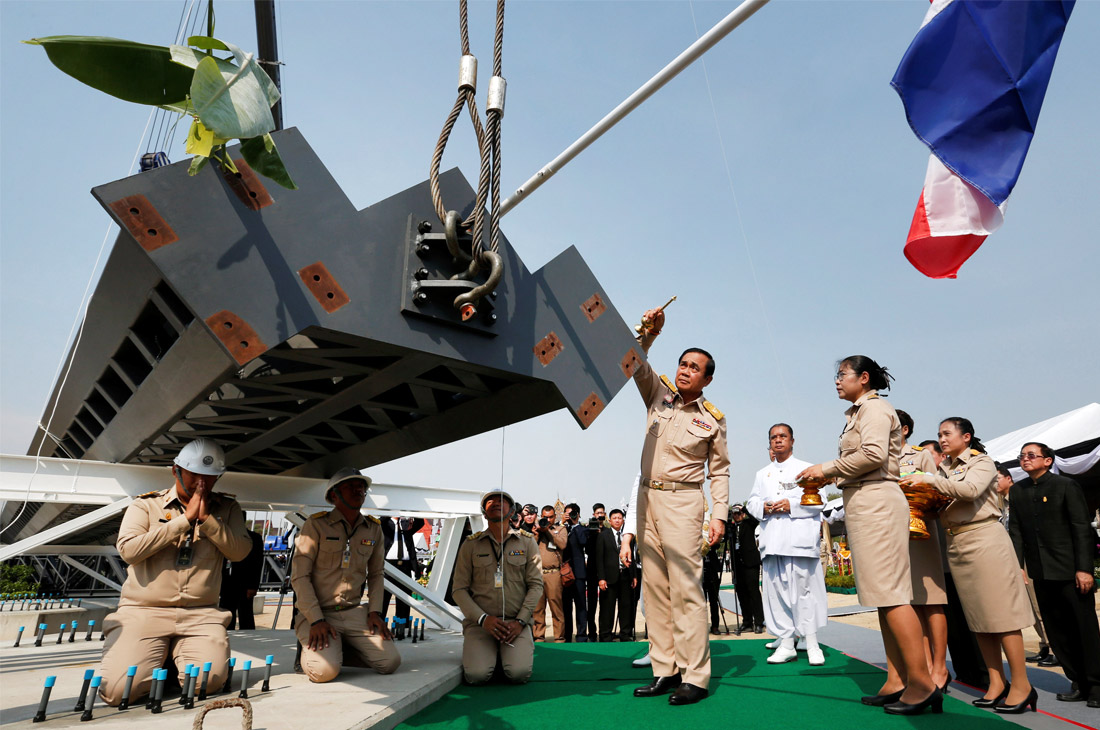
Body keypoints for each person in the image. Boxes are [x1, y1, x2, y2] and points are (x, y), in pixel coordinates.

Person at [797, 356, 937, 715]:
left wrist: (825, 469)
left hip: (876, 499)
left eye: (841, 375)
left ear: (863, 377)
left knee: (891, 594)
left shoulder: (875, 410)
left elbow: (873, 455)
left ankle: (922, 682)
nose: (837, 381)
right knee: (881, 594)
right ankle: (897, 678)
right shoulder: (858, 414)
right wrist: (831, 477)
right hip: (863, 500)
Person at [98, 438, 251, 706]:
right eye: (194, 475)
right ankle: (156, 658)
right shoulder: (145, 506)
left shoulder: (227, 509)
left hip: (200, 613)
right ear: (175, 471)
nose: (201, 484)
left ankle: (167, 661)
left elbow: (239, 552)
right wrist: (184, 522)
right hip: (144, 611)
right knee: (118, 693)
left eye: (210, 477)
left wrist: (207, 521)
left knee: (207, 683)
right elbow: (129, 550)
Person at [629, 305, 729, 706]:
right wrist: (650, 334)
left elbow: (720, 471)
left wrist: (719, 514)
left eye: (695, 367)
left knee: (686, 589)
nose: (686, 370)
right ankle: (664, 669)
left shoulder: (713, 420)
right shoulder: (658, 395)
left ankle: (695, 677)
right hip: (647, 497)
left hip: (685, 502)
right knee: (653, 588)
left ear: (707, 378)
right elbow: (635, 364)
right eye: (682, 364)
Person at [900, 418, 1035, 713]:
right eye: (939, 435)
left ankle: (1022, 685)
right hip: (957, 545)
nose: (942, 439)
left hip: (985, 540)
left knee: (1004, 617)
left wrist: (928, 480)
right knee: (979, 620)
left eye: (947, 434)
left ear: (967, 437)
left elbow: (971, 490)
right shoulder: (944, 469)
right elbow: (941, 505)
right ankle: (996, 682)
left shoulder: (981, 462)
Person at [1008, 442, 1100, 708]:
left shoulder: (1065, 486)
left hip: (1070, 571)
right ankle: (1077, 682)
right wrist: (1017, 567)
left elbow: (1082, 528)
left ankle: (1096, 684)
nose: (1025, 459)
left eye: (1031, 455)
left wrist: (1084, 569)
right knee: (1057, 631)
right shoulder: (1018, 490)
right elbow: (1016, 532)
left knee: (1084, 629)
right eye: (1022, 456)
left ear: (1048, 461)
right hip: (1040, 571)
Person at [291, 468, 400, 682]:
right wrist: (316, 620)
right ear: (334, 495)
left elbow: (376, 574)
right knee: (323, 673)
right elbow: (300, 577)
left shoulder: (373, 528)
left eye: (361, 486)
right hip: (319, 613)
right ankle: (316, 652)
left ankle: (336, 649)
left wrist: (375, 612)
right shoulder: (316, 525)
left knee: (390, 662)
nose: (358, 490)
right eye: (350, 486)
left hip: (353, 612)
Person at [747, 424, 827, 666]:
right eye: (773, 437)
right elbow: (752, 501)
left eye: (783, 436)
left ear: (792, 441)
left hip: (799, 540)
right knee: (777, 593)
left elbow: (819, 501)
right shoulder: (763, 473)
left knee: (804, 592)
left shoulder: (806, 468)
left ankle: (811, 643)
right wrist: (764, 507)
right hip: (773, 540)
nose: (778, 440)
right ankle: (785, 642)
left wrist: (790, 505)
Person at [452, 490, 543, 684]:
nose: (496, 503)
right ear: (483, 513)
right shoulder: (470, 545)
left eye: (502, 501)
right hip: (481, 625)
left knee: (518, 674)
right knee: (477, 676)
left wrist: (520, 622)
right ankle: (490, 654)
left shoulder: (527, 543)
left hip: (515, 624)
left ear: (512, 512)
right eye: (490, 501)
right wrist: (483, 619)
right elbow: (459, 590)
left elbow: (536, 586)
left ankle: (505, 656)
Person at [892, 410, 950, 691]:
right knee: (911, 603)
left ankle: (940, 667)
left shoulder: (920, 456)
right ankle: (924, 665)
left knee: (932, 601)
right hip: (893, 536)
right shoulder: (883, 458)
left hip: (921, 532)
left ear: (904, 430)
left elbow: (936, 491)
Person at [996, 466, 1054, 667]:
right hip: (1011, 557)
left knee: (1038, 603)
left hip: (1028, 557)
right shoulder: (1000, 502)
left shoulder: (1020, 497)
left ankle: (1053, 647)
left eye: (998, 478)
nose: (994, 483)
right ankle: (1044, 645)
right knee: (1029, 605)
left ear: (1009, 479)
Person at [596, 509, 637, 641]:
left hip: (625, 576)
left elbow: (633, 556)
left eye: (620, 518)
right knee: (607, 607)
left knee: (626, 606)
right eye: (615, 518)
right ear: (610, 520)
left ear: (623, 520)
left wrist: (634, 575)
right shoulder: (603, 535)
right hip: (609, 577)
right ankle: (605, 634)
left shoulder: (628, 537)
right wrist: (601, 578)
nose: (617, 520)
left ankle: (625, 634)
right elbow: (599, 559)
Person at [383, 516, 426, 627]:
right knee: (383, 598)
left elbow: (420, 522)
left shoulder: (406, 524)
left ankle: (402, 628)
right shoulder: (385, 524)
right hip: (388, 566)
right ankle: (380, 625)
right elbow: (380, 521)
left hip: (405, 567)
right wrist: (390, 511)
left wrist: (409, 510)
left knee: (404, 600)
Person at [533, 505, 568, 642]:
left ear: (555, 517)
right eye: (544, 517)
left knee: (556, 608)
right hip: (537, 573)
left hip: (554, 573)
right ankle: (539, 637)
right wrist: (537, 534)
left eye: (550, 517)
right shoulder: (536, 530)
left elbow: (562, 544)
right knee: (537, 608)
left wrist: (547, 531)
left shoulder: (560, 529)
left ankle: (559, 638)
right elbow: (530, 547)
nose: (547, 519)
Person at [729, 504, 764, 633]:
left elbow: (756, 519)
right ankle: (747, 621)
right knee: (741, 593)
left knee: (753, 592)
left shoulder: (749, 524)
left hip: (750, 563)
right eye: (734, 513)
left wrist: (745, 509)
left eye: (738, 513)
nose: (736, 515)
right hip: (737, 565)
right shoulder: (731, 528)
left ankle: (759, 621)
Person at [220, 530, 264, 630]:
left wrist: (253, 586)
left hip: (245, 583)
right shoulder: (225, 536)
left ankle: (248, 638)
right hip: (227, 582)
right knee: (227, 614)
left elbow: (257, 564)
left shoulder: (254, 538)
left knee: (246, 614)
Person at [561, 502, 590, 642]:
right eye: (568, 514)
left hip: (579, 573)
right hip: (564, 574)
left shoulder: (582, 529)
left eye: (573, 513)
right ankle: (567, 636)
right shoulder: (561, 529)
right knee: (566, 607)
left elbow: (583, 541)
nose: (570, 516)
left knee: (581, 606)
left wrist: (575, 523)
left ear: (578, 514)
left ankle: (581, 636)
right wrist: (563, 524)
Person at [585, 502, 607, 640]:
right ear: (593, 515)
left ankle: (605, 633)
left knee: (605, 604)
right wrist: (591, 533)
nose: (599, 515)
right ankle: (592, 633)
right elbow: (586, 549)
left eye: (602, 513)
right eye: (597, 513)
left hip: (605, 570)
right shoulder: (588, 531)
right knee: (591, 605)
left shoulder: (607, 531)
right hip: (592, 571)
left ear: (604, 514)